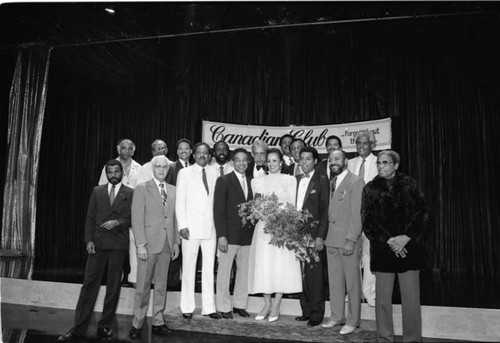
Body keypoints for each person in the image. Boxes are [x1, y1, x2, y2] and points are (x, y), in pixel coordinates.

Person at [57, 160, 133, 342]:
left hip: (118, 245)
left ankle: (105, 326)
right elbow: (90, 218)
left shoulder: (130, 193)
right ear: (106, 174)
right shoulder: (97, 191)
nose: (113, 175)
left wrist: (118, 222)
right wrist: (88, 240)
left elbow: (133, 219)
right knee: (89, 286)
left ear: (122, 173)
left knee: (113, 288)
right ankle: (78, 328)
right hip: (97, 244)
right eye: (110, 172)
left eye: (116, 171)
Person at [361, 150, 427, 342]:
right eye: (379, 163)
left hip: (409, 250)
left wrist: (406, 237)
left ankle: (413, 339)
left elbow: (421, 214)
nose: (381, 166)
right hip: (383, 251)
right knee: (382, 301)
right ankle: (384, 338)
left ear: (395, 165)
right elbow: (368, 220)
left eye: (385, 163)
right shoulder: (370, 188)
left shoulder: (410, 184)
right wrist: (390, 240)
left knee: (411, 301)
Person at [128, 156, 180, 339]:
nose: (161, 169)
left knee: (161, 286)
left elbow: (174, 219)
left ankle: (158, 321)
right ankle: (137, 323)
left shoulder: (173, 190)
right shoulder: (142, 188)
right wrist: (140, 244)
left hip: (166, 244)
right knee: (142, 287)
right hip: (148, 245)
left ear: (168, 170)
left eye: (164, 167)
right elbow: (136, 218)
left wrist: (176, 243)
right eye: (158, 166)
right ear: (152, 168)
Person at [248, 148, 302, 322]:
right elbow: (255, 206)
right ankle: (266, 303)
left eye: (275, 161)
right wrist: (261, 213)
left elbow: (293, 205)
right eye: (269, 161)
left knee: (280, 266)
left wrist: (281, 219)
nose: (271, 164)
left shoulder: (290, 180)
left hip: (282, 228)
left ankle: (277, 304)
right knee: (264, 266)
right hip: (264, 229)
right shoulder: (257, 181)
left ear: (281, 162)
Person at [176, 142, 221, 319]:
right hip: (190, 229)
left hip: (210, 228)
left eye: (206, 153)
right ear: (193, 155)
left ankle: (209, 307)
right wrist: (182, 226)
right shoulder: (184, 173)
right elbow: (180, 201)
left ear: (210, 156)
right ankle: (187, 306)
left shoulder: (215, 172)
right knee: (188, 268)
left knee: (209, 268)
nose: (202, 155)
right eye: (199, 152)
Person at [322, 150, 365, 335]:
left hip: (347, 241)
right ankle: (336, 316)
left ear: (346, 161)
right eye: (330, 159)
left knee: (352, 283)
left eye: (337, 159)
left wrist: (351, 240)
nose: (333, 162)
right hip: (330, 240)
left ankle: (353, 320)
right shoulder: (330, 182)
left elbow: (357, 214)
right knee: (335, 282)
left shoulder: (356, 181)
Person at [214, 148, 254, 319]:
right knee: (224, 273)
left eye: (244, 160)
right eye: (237, 160)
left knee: (244, 273)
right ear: (232, 161)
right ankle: (223, 307)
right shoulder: (224, 180)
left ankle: (239, 304)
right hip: (229, 236)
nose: (241, 163)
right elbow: (218, 210)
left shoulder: (253, 181)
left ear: (248, 162)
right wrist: (221, 235)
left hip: (247, 236)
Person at [98, 138, 141, 286]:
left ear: (133, 151)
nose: (127, 151)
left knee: (136, 246)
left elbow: (141, 193)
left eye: (130, 149)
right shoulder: (109, 166)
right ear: (118, 149)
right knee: (116, 249)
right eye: (124, 148)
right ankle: (114, 280)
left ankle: (134, 279)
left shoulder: (139, 168)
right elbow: (102, 190)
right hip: (115, 215)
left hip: (133, 214)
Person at [294, 147, 329, 327]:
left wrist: (320, 237)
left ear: (315, 161)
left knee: (315, 274)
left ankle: (317, 313)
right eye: (302, 159)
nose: (305, 162)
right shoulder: (296, 179)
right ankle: (306, 310)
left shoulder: (322, 181)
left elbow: (324, 212)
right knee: (301, 274)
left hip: (313, 235)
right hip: (296, 234)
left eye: (308, 159)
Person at [348, 130, 378, 307]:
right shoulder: (350, 163)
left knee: (368, 255)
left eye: (365, 143)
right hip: (352, 216)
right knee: (351, 256)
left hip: (371, 216)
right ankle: (353, 293)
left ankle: (370, 293)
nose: (361, 146)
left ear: (372, 145)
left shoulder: (379, 162)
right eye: (358, 143)